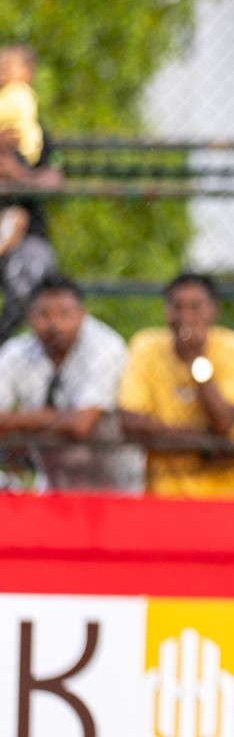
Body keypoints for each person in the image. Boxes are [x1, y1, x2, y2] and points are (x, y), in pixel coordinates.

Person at [118, 273, 234, 499]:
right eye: (177, 306)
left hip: (228, 497)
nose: (185, 316)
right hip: (165, 496)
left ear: (214, 310)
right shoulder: (145, 346)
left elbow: (223, 424)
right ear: (166, 311)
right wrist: (207, 443)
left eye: (196, 307)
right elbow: (131, 423)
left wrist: (197, 363)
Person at [0, 275, 134, 492]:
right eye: (43, 314)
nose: (54, 325)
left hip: (113, 482)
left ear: (82, 315)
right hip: (52, 482)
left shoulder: (105, 346)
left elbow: (81, 426)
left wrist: (19, 422)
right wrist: (57, 419)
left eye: (64, 314)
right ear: (29, 317)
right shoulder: (17, 353)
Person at [0, 45, 60, 342]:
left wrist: (19, 176)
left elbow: (54, 178)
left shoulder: (33, 132)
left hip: (25, 237)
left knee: (28, 273)